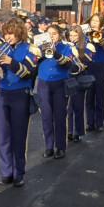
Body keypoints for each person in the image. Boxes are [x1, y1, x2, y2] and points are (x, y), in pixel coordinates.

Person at [0, 17, 40, 186]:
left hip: (20, 93)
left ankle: (18, 172)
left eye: (11, 34)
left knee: (18, 136)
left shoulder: (30, 49)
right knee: (3, 135)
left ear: (19, 33)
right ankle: (6, 172)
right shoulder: (0, 48)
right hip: (1, 94)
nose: (8, 37)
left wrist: (11, 62)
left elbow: (28, 73)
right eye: (6, 34)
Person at [36, 24, 83, 159]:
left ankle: (61, 146)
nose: (51, 36)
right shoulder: (39, 49)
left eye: (54, 34)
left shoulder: (66, 48)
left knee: (60, 116)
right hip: (43, 84)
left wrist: (56, 53)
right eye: (49, 34)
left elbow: (70, 66)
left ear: (60, 35)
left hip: (60, 83)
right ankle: (49, 146)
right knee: (46, 116)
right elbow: (33, 64)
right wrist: (39, 51)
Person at [85, 13, 104, 132]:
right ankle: (90, 122)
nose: (94, 23)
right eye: (92, 21)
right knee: (89, 96)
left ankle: (99, 122)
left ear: (101, 22)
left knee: (100, 95)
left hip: (101, 65)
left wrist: (99, 38)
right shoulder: (86, 33)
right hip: (89, 65)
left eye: (96, 21)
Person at [66, 25, 91, 143]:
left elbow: (87, 63)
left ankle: (78, 132)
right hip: (67, 78)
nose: (72, 38)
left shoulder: (86, 46)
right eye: (71, 35)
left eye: (75, 36)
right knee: (68, 108)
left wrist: (76, 54)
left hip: (79, 78)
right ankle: (69, 131)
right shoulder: (66, 46)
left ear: (80, 36)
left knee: (78, 107)